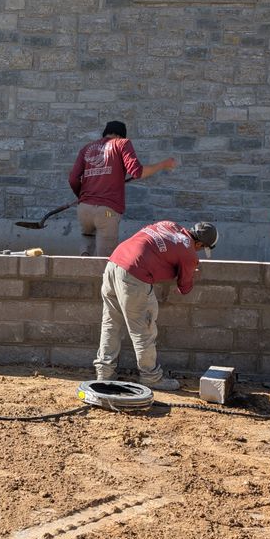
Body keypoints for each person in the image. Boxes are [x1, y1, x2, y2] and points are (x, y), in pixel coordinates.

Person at [94, 220, 219, 391]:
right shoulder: (189, 251)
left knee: (111, 323)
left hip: (114, 263)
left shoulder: (168, 225)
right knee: (143, 329)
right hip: (134, 274)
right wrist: (190, 271)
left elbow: (156, 248)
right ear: (199, 243)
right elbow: (185, 287)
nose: (197, 251)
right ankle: (151, 378)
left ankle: (104, 373)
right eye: (200, 248)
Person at [68, 120, 177, 257]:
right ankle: (100, 277)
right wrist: (163, 164)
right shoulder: (122, 143)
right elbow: (137, 172)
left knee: (87, 243)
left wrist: (83, 198)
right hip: (107, 212)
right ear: (121, 136)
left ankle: (82, 272)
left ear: (105, 133)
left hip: (84, 210)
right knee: (105, 260)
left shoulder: (86, 148)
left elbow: (73, 178)